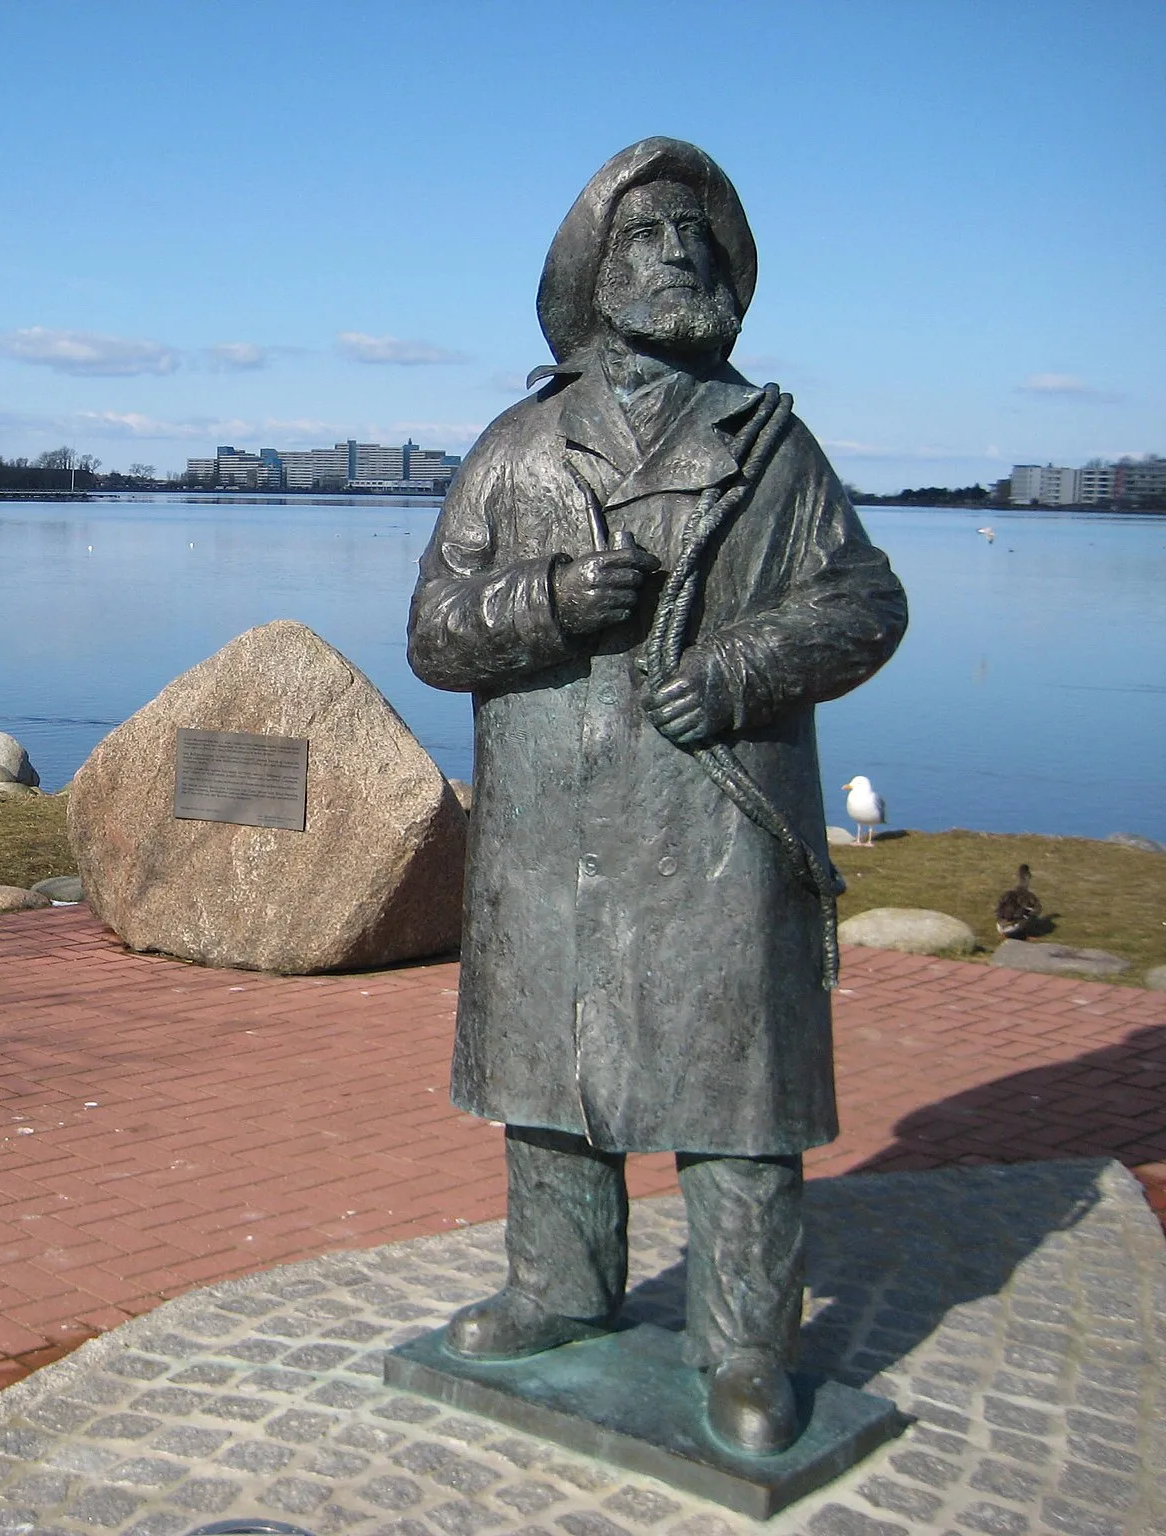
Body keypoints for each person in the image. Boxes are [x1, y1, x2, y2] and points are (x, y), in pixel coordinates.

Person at [406, 138, 907, 1456]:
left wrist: (741, 668)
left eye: (697, 234)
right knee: (550, 1076)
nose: (678, 251)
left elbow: (864, 600)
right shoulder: (518, 449)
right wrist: (550, 601)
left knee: (733, 1092)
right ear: (587, 272)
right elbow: (437, 630)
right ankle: (556, 1290)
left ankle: (744, 1346)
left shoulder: (770, 444)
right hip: (549, 821)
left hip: (709, 824)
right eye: (644, 234)